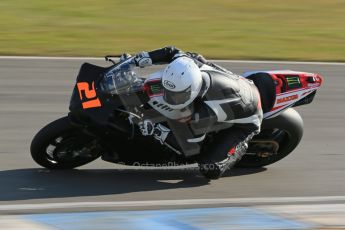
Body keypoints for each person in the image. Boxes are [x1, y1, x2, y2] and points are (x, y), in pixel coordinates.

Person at [126, 46, 263, 179]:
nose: (169, 97)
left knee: (210, 168)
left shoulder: (205, 112)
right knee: (194, 56)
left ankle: (241, 146)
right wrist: (141, 59)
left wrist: (156, 130)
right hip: (233, 86)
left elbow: (190, 146)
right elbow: (171, 51)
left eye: (177, 95)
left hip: (248, 118)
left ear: (193, 90)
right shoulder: (188, 66)